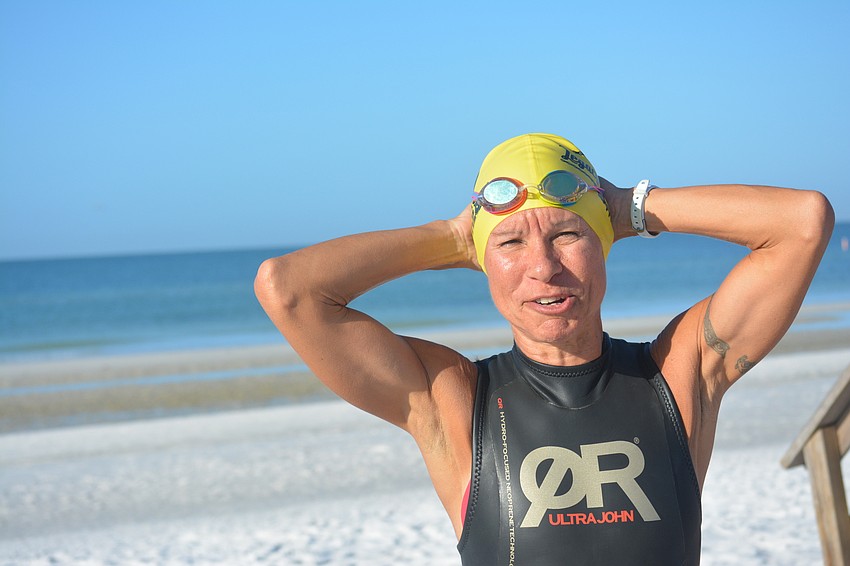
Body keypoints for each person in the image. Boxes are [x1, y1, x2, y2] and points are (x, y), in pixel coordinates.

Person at [254, 133, 834, 564]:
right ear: (480, 261)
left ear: (604, 243)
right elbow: (289, 290)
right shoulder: (451, 400)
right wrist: (457, 235)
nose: (543, 267)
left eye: (568, 234)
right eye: (510, 244)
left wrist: (629, 208)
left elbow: (802, 222)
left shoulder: (678, 376)